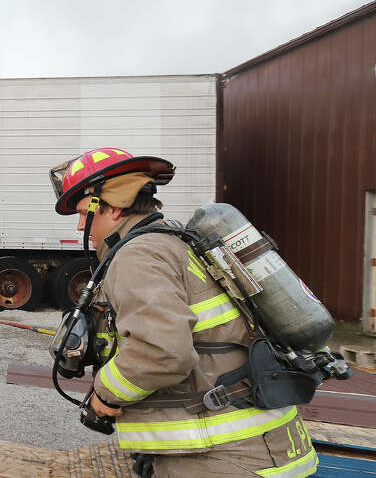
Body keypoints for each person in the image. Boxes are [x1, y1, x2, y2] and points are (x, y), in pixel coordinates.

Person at [49, 148, 316, 478]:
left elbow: (162, 352)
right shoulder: (174, 241)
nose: (79, 227)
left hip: (226, 460)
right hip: (262, 449)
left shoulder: (139, 255)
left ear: (114, 208)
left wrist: (105, 395)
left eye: (82, 213)